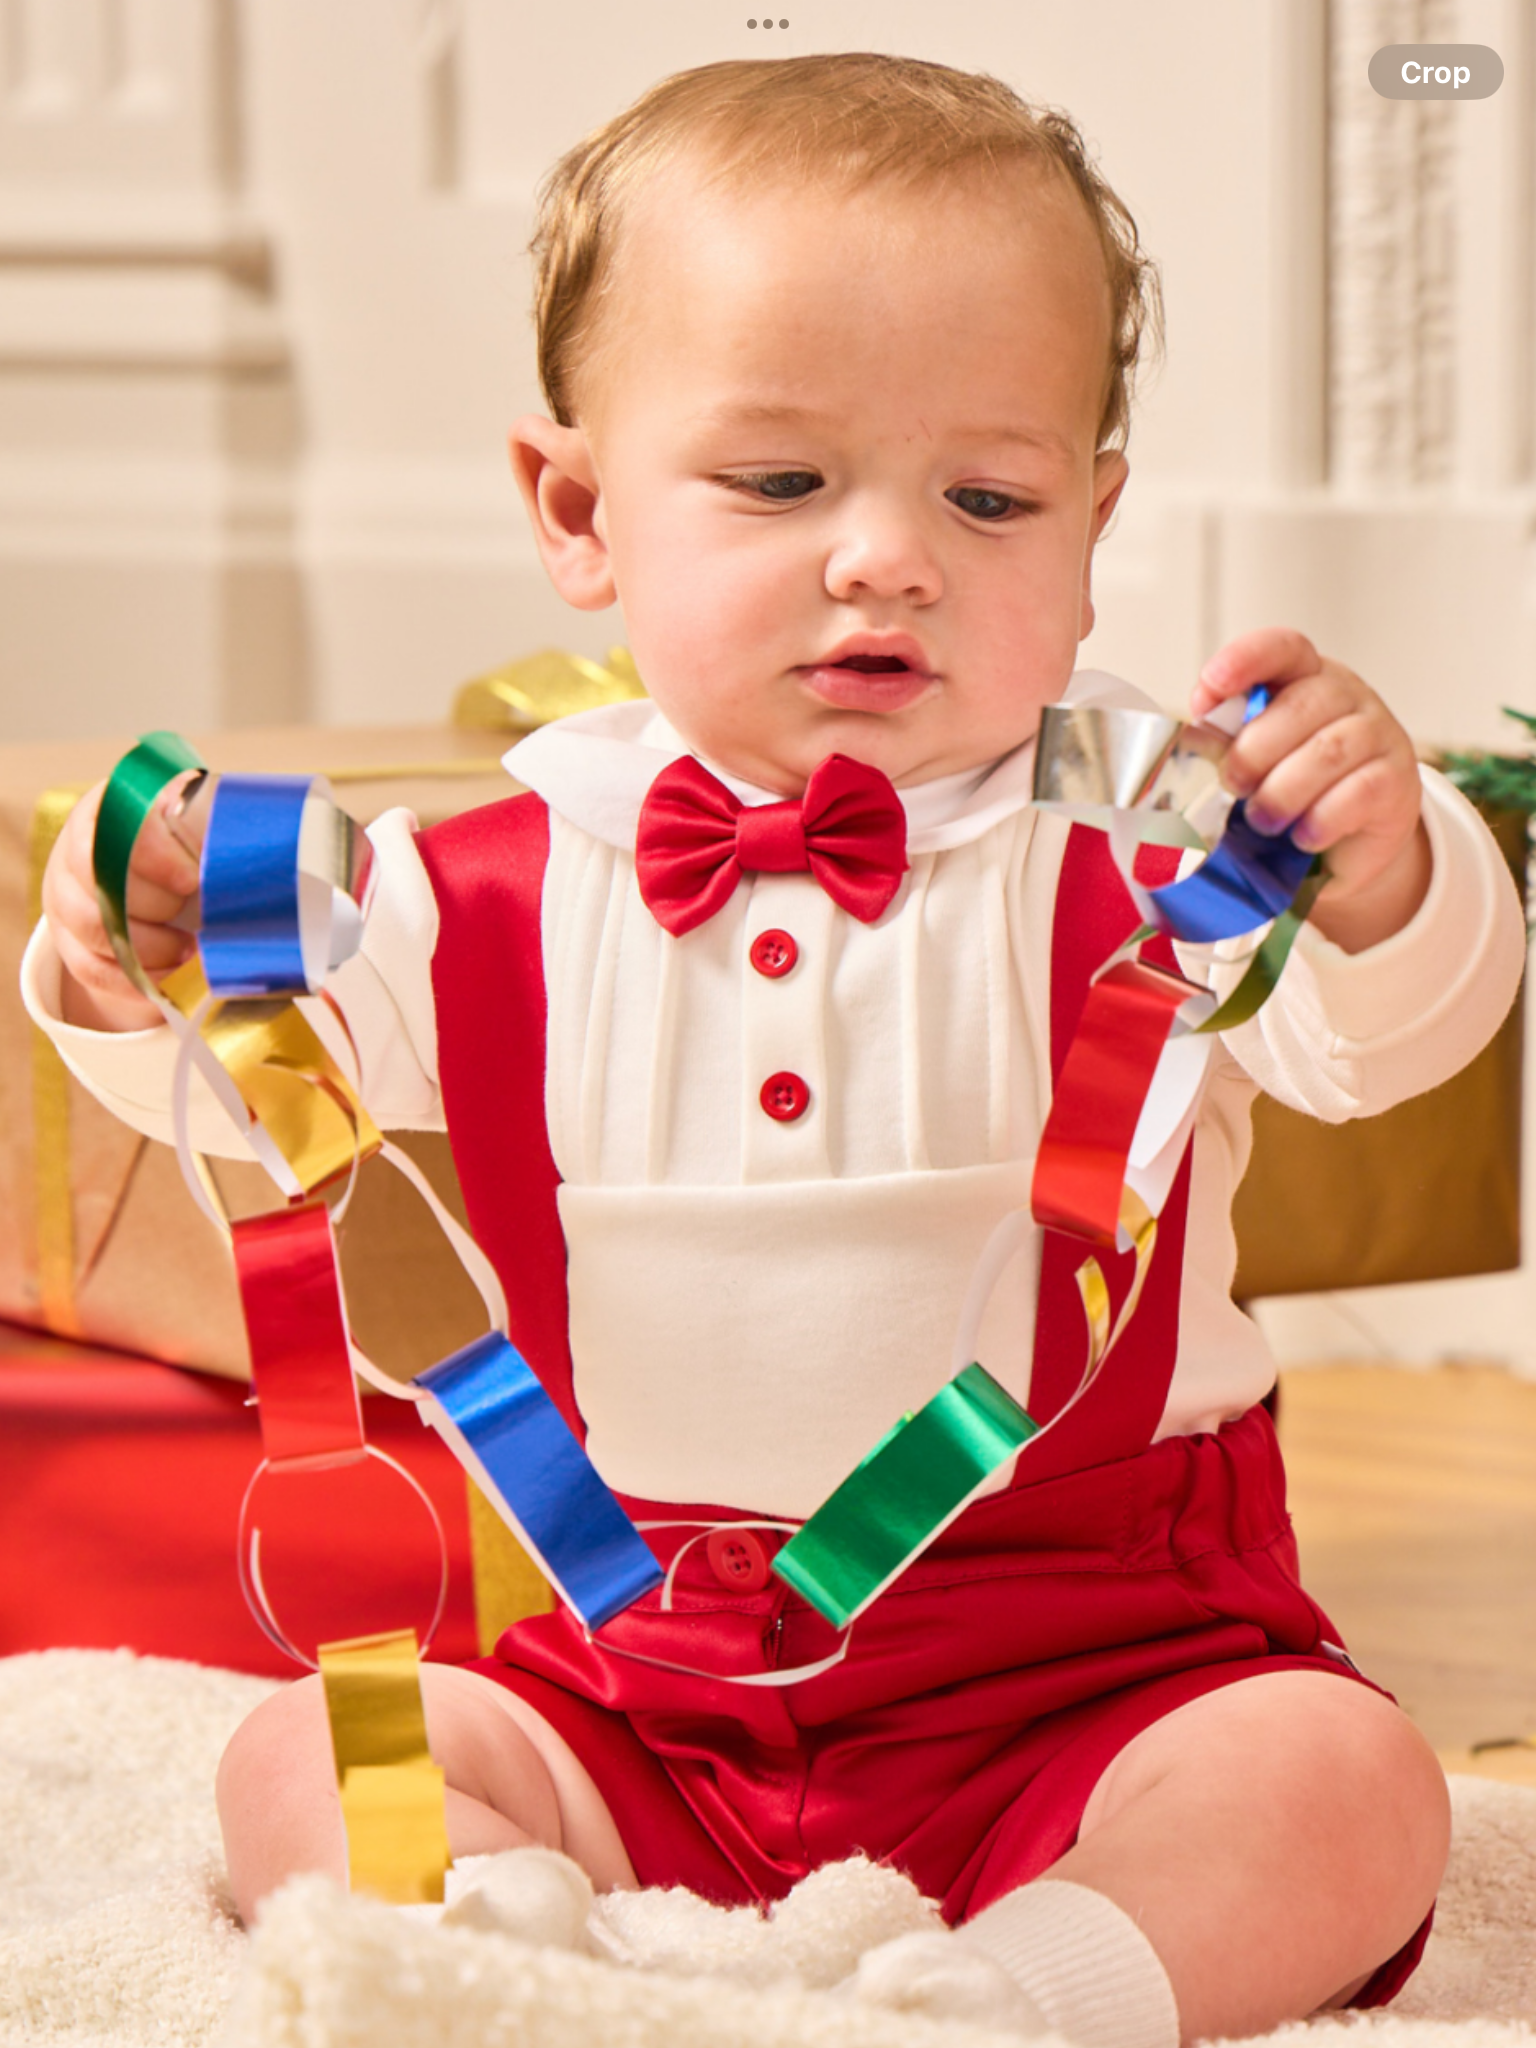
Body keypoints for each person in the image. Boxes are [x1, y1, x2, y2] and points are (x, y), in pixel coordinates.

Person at [25, 52, 1525, 2048]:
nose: (889, 555)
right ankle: (504, 1927)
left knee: (1341, 1790)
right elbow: (250, 1080)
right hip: (629, 1684)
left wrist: (1383, 871)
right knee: (323, 1744)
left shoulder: (1153, 843)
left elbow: (1383, 1041)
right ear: (578, 511)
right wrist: (139, 973)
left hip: (1095, 1665)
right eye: (780, 481)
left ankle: (1023, 1989)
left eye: (988, 495)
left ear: (1093, 523)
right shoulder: (471, 879)